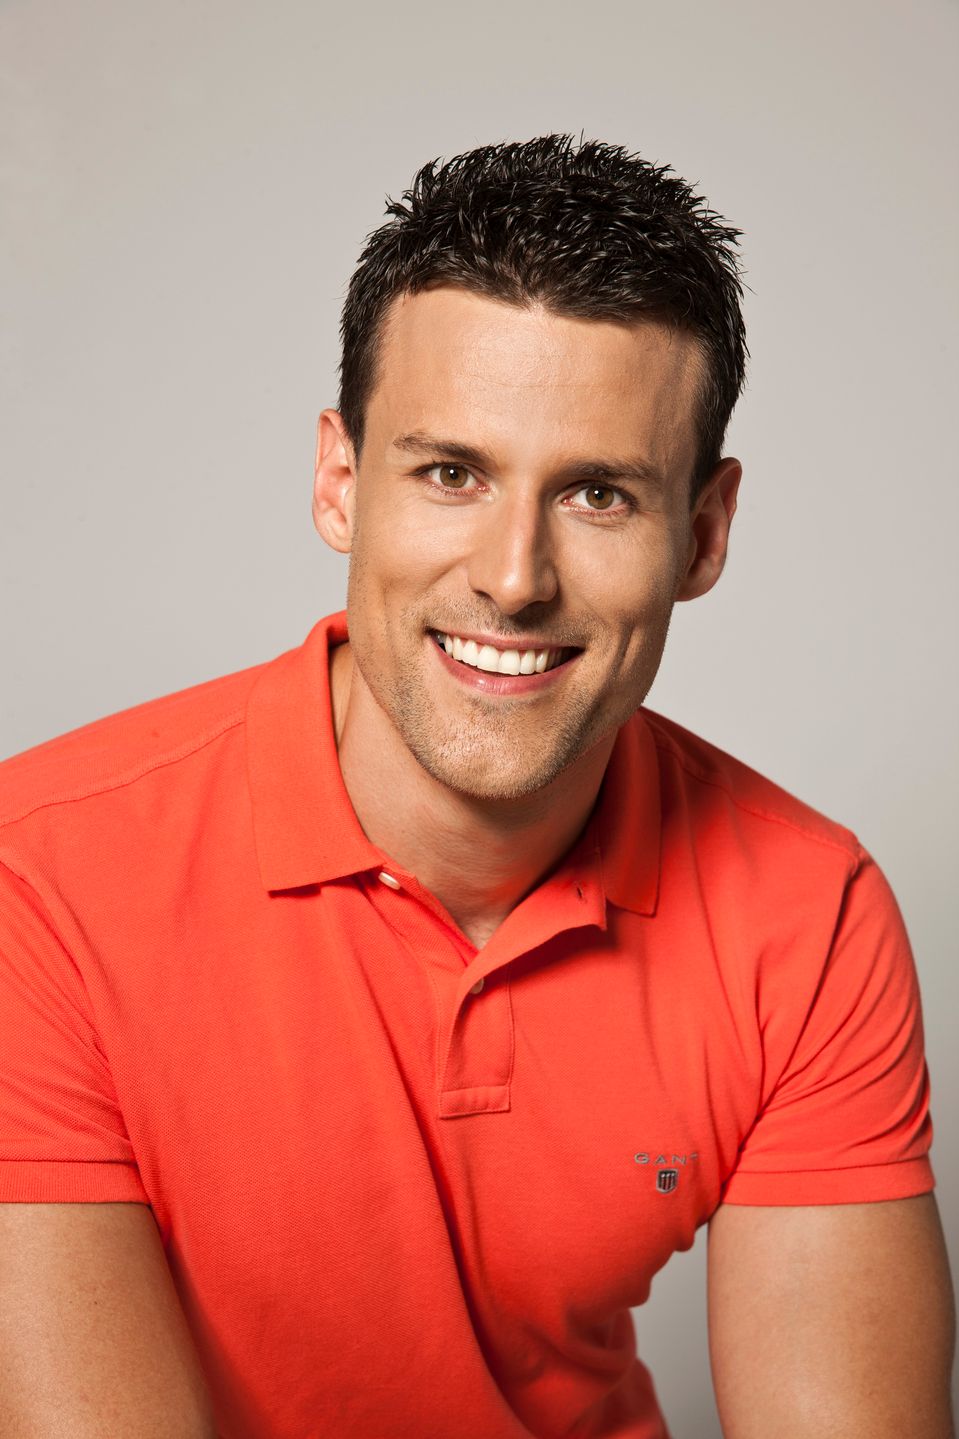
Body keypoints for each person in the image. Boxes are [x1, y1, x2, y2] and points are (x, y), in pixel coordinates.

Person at [0, 134, 953, 1438]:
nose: (514, 577)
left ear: (704, 533)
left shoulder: (807, 913)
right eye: (451, 474)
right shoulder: (41, 880)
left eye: (599, 495)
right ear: (341, 482)